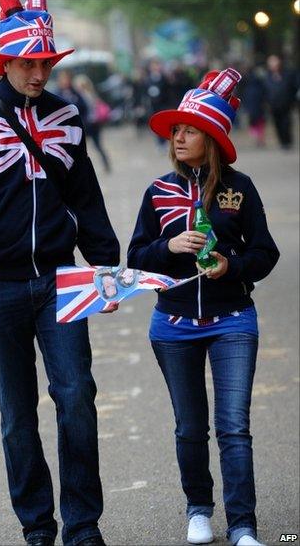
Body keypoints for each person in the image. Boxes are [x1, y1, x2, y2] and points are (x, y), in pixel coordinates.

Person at [0, 0, 120, 545]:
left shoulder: (66, 115)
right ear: (5, 61)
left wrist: (104, 265)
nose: (39, 74)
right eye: (29, 63)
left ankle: (83, 528)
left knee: (77, 397)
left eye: (47, 64)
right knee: (16, 415)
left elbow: (86, 196)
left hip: (61, 283)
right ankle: (37, 528)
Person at [127, 68, 279, 546]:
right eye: (176, 130)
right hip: (173, 325)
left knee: (233, 428)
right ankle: (198, 509)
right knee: (190, 428)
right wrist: (168, 248)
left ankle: (243, 526)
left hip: (233, 320)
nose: (178, 137)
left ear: (211, 137)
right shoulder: (157, 191)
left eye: (189, 130)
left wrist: (230, 267)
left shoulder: (239, 189)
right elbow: (135, 259)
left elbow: (265, 253)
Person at [73, 74, 112, 173]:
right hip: (92, 124)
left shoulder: (83, 96)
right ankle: (105, 164)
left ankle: (104, 164)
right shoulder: (91, 94)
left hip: (90, 124)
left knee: (89, 147)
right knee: (94, 146)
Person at [263, 54, 298, 150]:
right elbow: (265, 91)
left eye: (274, 61)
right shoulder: (267, 76)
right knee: (277, 123)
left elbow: (293, 87)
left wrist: (293, 100)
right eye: (271, 62)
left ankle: (287, 141)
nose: (273, 64)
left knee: (286, 123)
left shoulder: (287, 74)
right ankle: (282, 141)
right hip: (273, 105)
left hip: (286, 104)